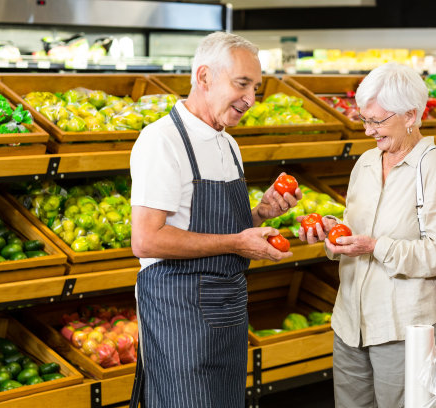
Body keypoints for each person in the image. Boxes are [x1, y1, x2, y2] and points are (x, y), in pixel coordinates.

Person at [129, 32, 301, 407]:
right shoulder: (162, 141)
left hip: (228, 311)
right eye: (242, 84)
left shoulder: (228, 142)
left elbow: (213, 226)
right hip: (179, 313)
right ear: (204, 77)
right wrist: (237, 243)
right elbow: (146, 240)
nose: (251, 99)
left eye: (256, 87)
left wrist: (259, 214)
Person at [299, 63, 436, 408]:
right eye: (364, 119)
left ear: (410, 115)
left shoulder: (433, 167)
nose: (368, 130)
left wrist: (376, 247)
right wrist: (333, 233)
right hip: (350, 322)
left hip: (401, 326)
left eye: (377, 121)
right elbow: (353, 228)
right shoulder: (364, 163)